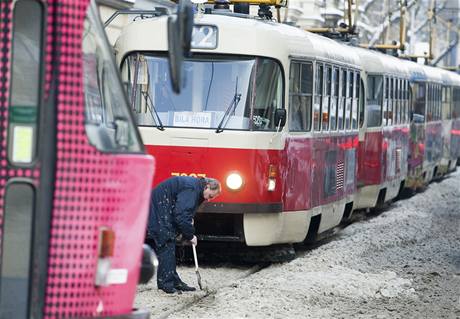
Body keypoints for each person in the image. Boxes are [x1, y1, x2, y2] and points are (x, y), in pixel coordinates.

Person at [145, 176, 221, 294]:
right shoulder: (192, 189)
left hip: (162, 209)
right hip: (159, 211)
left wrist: (189, 219)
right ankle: (166, 284)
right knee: (167, 244)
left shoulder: (195, 187)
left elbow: (184, 210)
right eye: (210, 196)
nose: (209, 200)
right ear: (207, 187)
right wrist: (190, 236)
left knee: (170, 246)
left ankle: (174, 281)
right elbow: (181, 215)